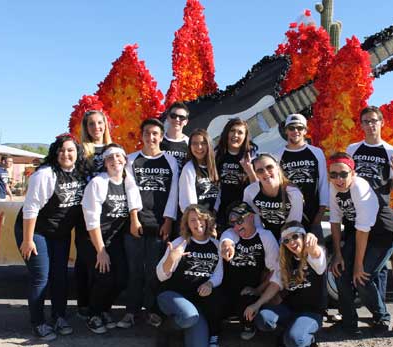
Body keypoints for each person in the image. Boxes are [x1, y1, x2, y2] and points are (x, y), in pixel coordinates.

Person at [14, 134, 87, 341]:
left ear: (77, 153)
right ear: (55, 152)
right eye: (62, 150)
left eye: (71, 150)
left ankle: (59, 317)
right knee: (41, 277)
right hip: (35, 231)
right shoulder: (45, 174)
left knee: (60, 276)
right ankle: (38, 322)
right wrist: (27, 240)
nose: (66, 154)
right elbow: (30, 209)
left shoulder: (81, 174)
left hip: (60, 233)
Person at [328, 152, 393, 336]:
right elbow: (335, 221)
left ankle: (381, 317)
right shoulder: (333, 186)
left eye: (343, 174)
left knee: (362, 278)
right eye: (333, 174)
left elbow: (363, 231)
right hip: (357, 232)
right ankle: (349, 322)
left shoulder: (359, 187)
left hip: (381, 234)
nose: (338, 179)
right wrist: (337, 254)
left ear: (353, 173)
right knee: (339, 272)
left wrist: (358, 266)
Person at [120, 118, 179, 329]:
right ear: (141, 135)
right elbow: (129, 190)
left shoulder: (171, 161)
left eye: (155, 133)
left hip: (159, 225)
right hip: (136, 223)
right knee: (135, 270)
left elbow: (174, 193)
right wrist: (134, 219)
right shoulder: (131, 159)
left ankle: (152, 310)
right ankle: (131, 311)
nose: (151, 137)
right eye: (147, 133)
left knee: (154, 271)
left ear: (161, 136)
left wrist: (169, 221)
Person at [81, 143, 142, 334]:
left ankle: (103, 309)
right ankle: (93, 314)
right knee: (104, 278)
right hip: (94, 239)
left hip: (114, 240)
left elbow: (134, 206)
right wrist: (101, 251)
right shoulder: (98, 183)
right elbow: (91, 220)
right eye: (110, 158)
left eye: (119, 157)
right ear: (105, 163)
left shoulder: (128, 182)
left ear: (125, 160)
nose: (115, 161)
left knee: (122, 279)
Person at [346, 105, 393, 302]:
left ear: (381, 123)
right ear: (361, 125)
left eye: (374, 121)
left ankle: (380, 312)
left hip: (379, 216)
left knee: (374, 269)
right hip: (356, 214)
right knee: (364, 266)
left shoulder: (391, 151)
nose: (370, 125)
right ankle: (378, 312)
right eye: (366, 122)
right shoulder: (352, 149)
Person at [244, 221, 326, 347]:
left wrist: (311, 239)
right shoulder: (286, 260)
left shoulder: (312, 255)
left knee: (294, 340)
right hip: (290, 310)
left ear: (303, 236)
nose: (291, 243)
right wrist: (256, 304)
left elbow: (317, 254)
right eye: (286, 240)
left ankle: (305, 339)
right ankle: (290, 332)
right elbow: (275, 284)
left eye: (295, 236)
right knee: (263, 319)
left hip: (311, 312)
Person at [156, 204, 223, 347]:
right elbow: (161, 275)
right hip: (172, 296)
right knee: (187, 315)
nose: (197, 223)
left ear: (207, 221)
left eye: (200, 219)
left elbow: (218, 274)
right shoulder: (180, 243)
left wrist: (209, 284)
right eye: (192, 220)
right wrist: (171, 258)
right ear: (186, 224)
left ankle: (182, 327)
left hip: (196, 305)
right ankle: (165, 329)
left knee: (195, 331)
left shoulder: (216, 245)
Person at [219, 202, 279, 341]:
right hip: (228, 288)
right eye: (233, 223)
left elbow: (274, 270)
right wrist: (226, 245)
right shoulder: (231, 233)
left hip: (250, 290)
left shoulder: (265, 236)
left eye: (240, 220)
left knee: (248, 302)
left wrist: (258, 290)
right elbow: (227, 239)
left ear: (251, 217)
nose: (237, 226)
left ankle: (249, 325)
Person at [75, 109, 113, 320]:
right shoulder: (81, 151)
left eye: (100, 123)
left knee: (105, 260)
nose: (96, 127)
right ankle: (84, 304)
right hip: (85, 213)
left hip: (108, 214)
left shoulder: (113, 149)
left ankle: (101, 306)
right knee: (85, 260)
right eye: (91, 124)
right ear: (86, 128)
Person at [277, 114, 328, 242]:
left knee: (317, 257)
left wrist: (320, 214)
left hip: (313, 217)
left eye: (299, 128)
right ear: (286, 130)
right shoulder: (278, 155)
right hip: (289, 218)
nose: (295, 131)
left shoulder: (316, 152)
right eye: (291, 128)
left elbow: (323, 183)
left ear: (305, 130)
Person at [243, 153, 303, 241]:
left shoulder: (293, 193)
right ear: (256, 174)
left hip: (292, 235)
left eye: (269, 167)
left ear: (277, 167)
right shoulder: (250, 191)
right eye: (260, 170)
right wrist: (266, 240)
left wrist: (281, 243)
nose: (266, 172)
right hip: (266, 234)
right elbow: (254, 222)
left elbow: (293, 225)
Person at [215, 118, 257, 228]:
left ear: (245, 137)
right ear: (226, 133)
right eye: (232, 131)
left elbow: (257, 187)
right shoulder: (218, 155)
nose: (235, 135)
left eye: (240, 132)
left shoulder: (251, 156)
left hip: (246, 209)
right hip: (223, 210)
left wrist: (249, 170)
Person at [179, 128, 220, 215]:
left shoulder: (215, 166)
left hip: (216, 218)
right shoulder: (188, 169)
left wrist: (215, 214)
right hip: (199, 222)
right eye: (194, 143)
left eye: (203, 143)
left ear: (209, 145)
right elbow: (188, 204)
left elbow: (220, 194)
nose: (199, 147)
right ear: (190, 146)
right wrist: (201, 220)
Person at [160, 101, 190, 173]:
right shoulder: (158, 141)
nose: (177, 119)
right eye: (173, 116)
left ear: (186, 122)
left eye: (181, 117)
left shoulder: (190, 143)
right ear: (168, 118)